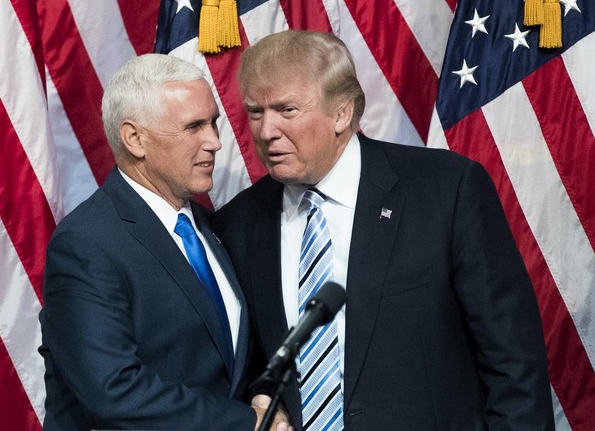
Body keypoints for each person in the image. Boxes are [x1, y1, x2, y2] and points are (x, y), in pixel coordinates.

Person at [213, 29, 555, 430]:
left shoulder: (445, 190)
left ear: (341, 113)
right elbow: (247, 363)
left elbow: (514, 364)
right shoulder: (238, 224)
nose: (266, 131)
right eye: (256, 112)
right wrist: (261, 396)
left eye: (286, 110)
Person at [39, 54, 288, 430]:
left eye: (214, 123)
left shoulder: (209, 226)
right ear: (135, 139)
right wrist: (244, 422)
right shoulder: (86, 244)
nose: (215, 142)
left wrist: (261, 394)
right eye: (194, 127)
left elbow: (227, 359)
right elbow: (113, 390)